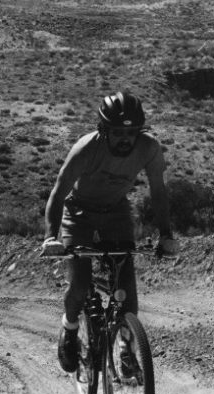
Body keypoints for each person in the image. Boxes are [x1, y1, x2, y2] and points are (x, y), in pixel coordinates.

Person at [41, 91, 179, 373]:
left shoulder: (148, 148)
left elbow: (159, 193)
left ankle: (127, 349)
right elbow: (58, 193)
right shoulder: (85, 149)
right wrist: (51, 236)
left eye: (131, 132)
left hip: (115, 211)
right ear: (103, 130)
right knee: (79, 283)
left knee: (126, 287)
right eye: (117, 132)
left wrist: (166, 235)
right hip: (78, 212)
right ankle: (69, 328)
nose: (125, 138)